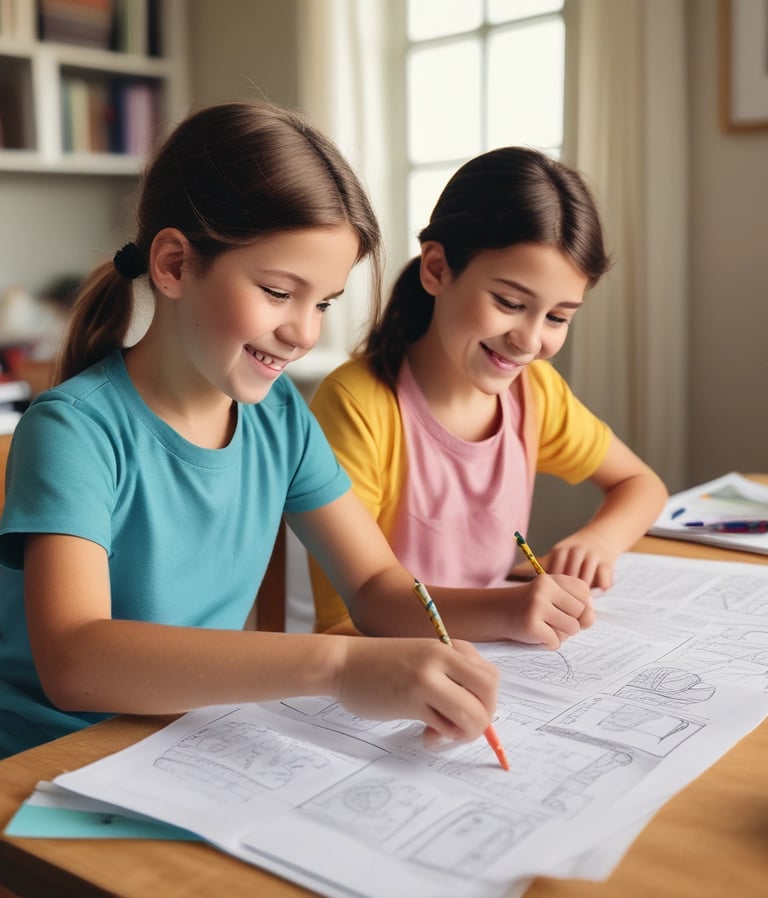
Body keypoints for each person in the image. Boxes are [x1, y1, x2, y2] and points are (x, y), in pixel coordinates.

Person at [0, 101, 500, 760]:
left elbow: (377, 589)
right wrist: (338, 666)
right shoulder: (72, 430)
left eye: (322, 302)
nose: (304, 331)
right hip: (50, 763)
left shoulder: (280, 416)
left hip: (185, 745)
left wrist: (513, 613)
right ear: (175, 265)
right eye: (276, 291)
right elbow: (75, 659)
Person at [309, 146, 668, 638]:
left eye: (558, 317)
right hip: (382, 665)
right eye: (509, 302)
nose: (530, 339)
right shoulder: (357, 405)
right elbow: (352, 616)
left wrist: (597, 542)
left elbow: (641, 485)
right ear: (436, 269)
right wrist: (505, 610)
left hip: (499, 653)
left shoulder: (535, 392)